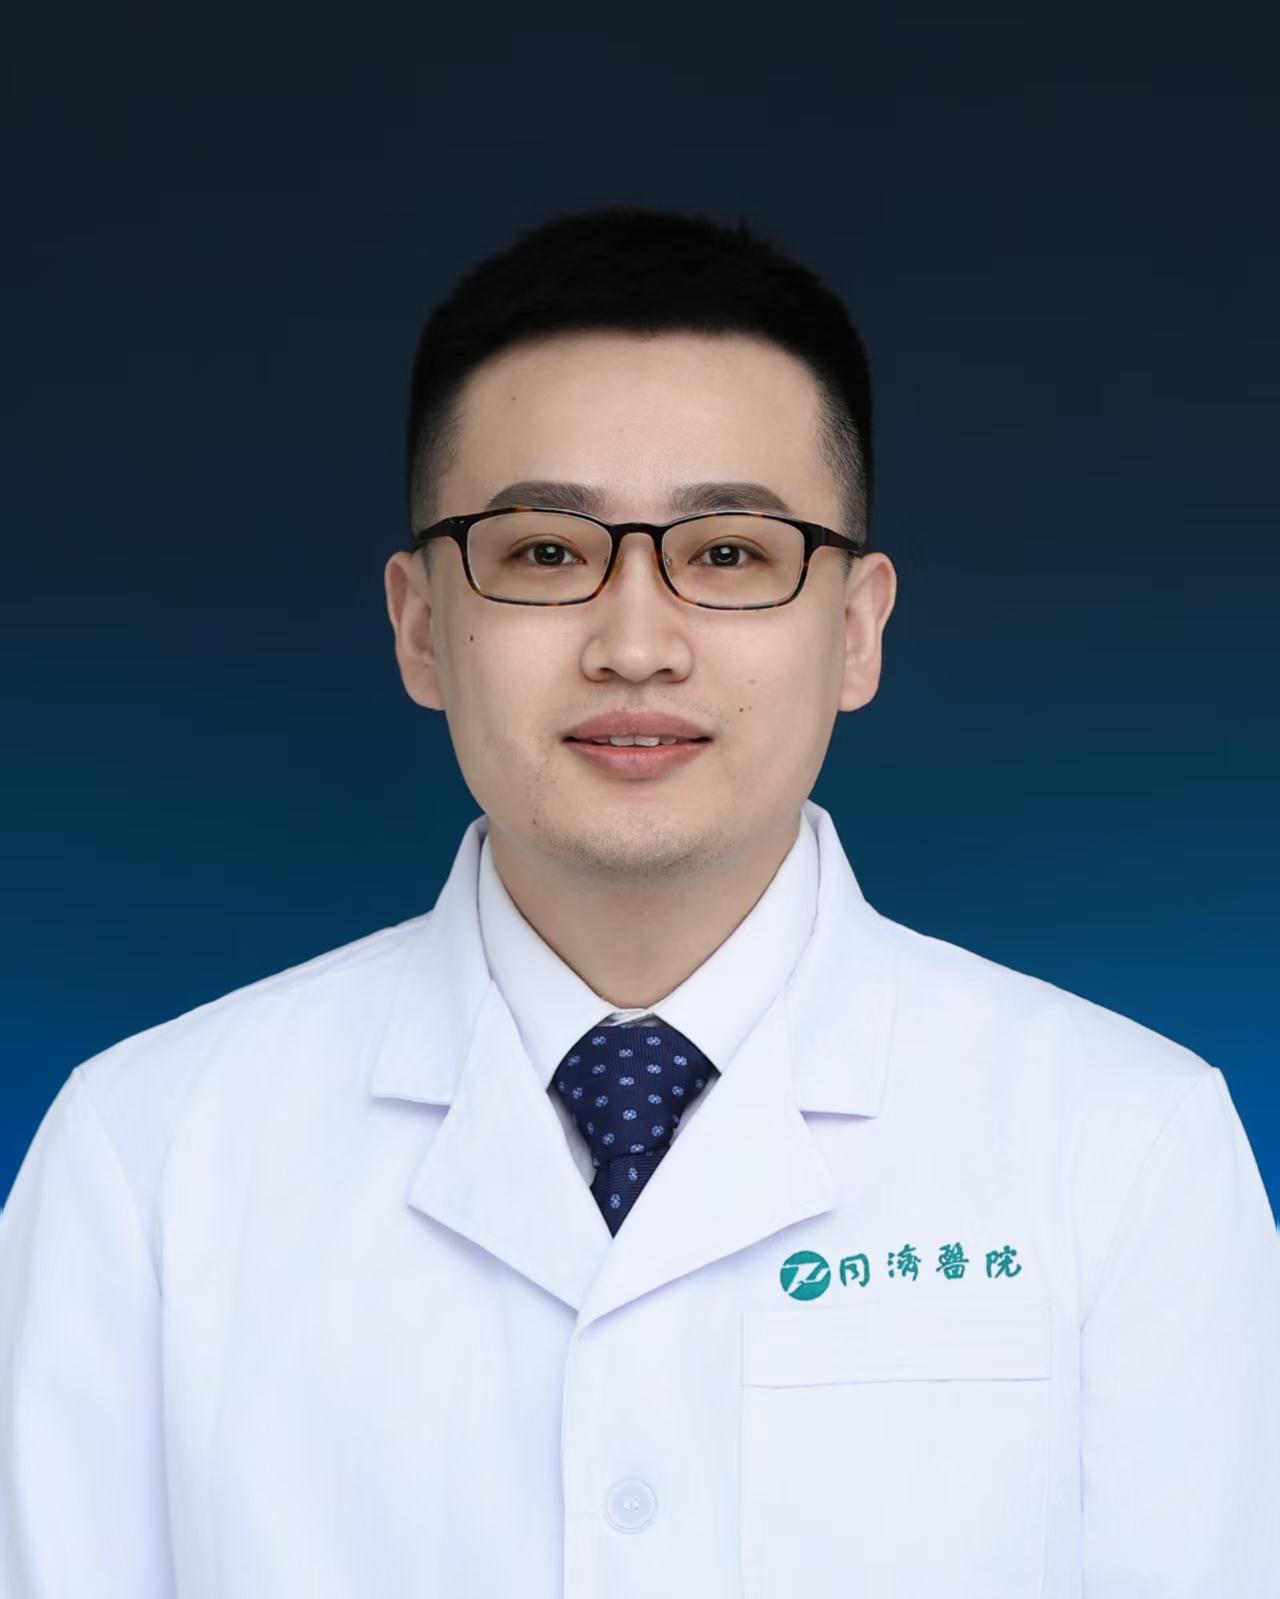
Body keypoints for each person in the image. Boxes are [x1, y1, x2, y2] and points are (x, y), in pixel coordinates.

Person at [1, 205, 1276, 1598]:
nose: (635, 644)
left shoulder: (1125, 1151)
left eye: (728, 553)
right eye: (547, 552)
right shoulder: (149, 1160)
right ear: (421, 626)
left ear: (857, 629)